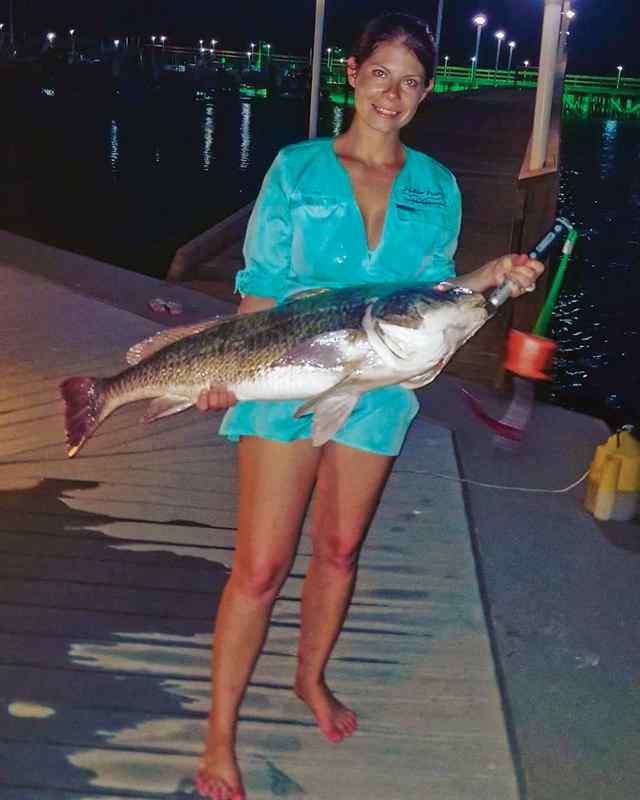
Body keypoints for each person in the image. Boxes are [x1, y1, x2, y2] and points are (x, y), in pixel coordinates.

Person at [194, 12, 543, 800]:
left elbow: (431, 291)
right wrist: (228, 370)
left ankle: (309, 677)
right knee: (260, 566)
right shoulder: (297, 169)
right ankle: (219, 735)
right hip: (286, 377)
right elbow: (260, 288)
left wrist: (490, 276)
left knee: (340, 550)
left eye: (411, 81)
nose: (393, 93)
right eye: (381, 73)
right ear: (352, 74)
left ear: (426, 92)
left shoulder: (437, 186)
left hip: (378, 387)